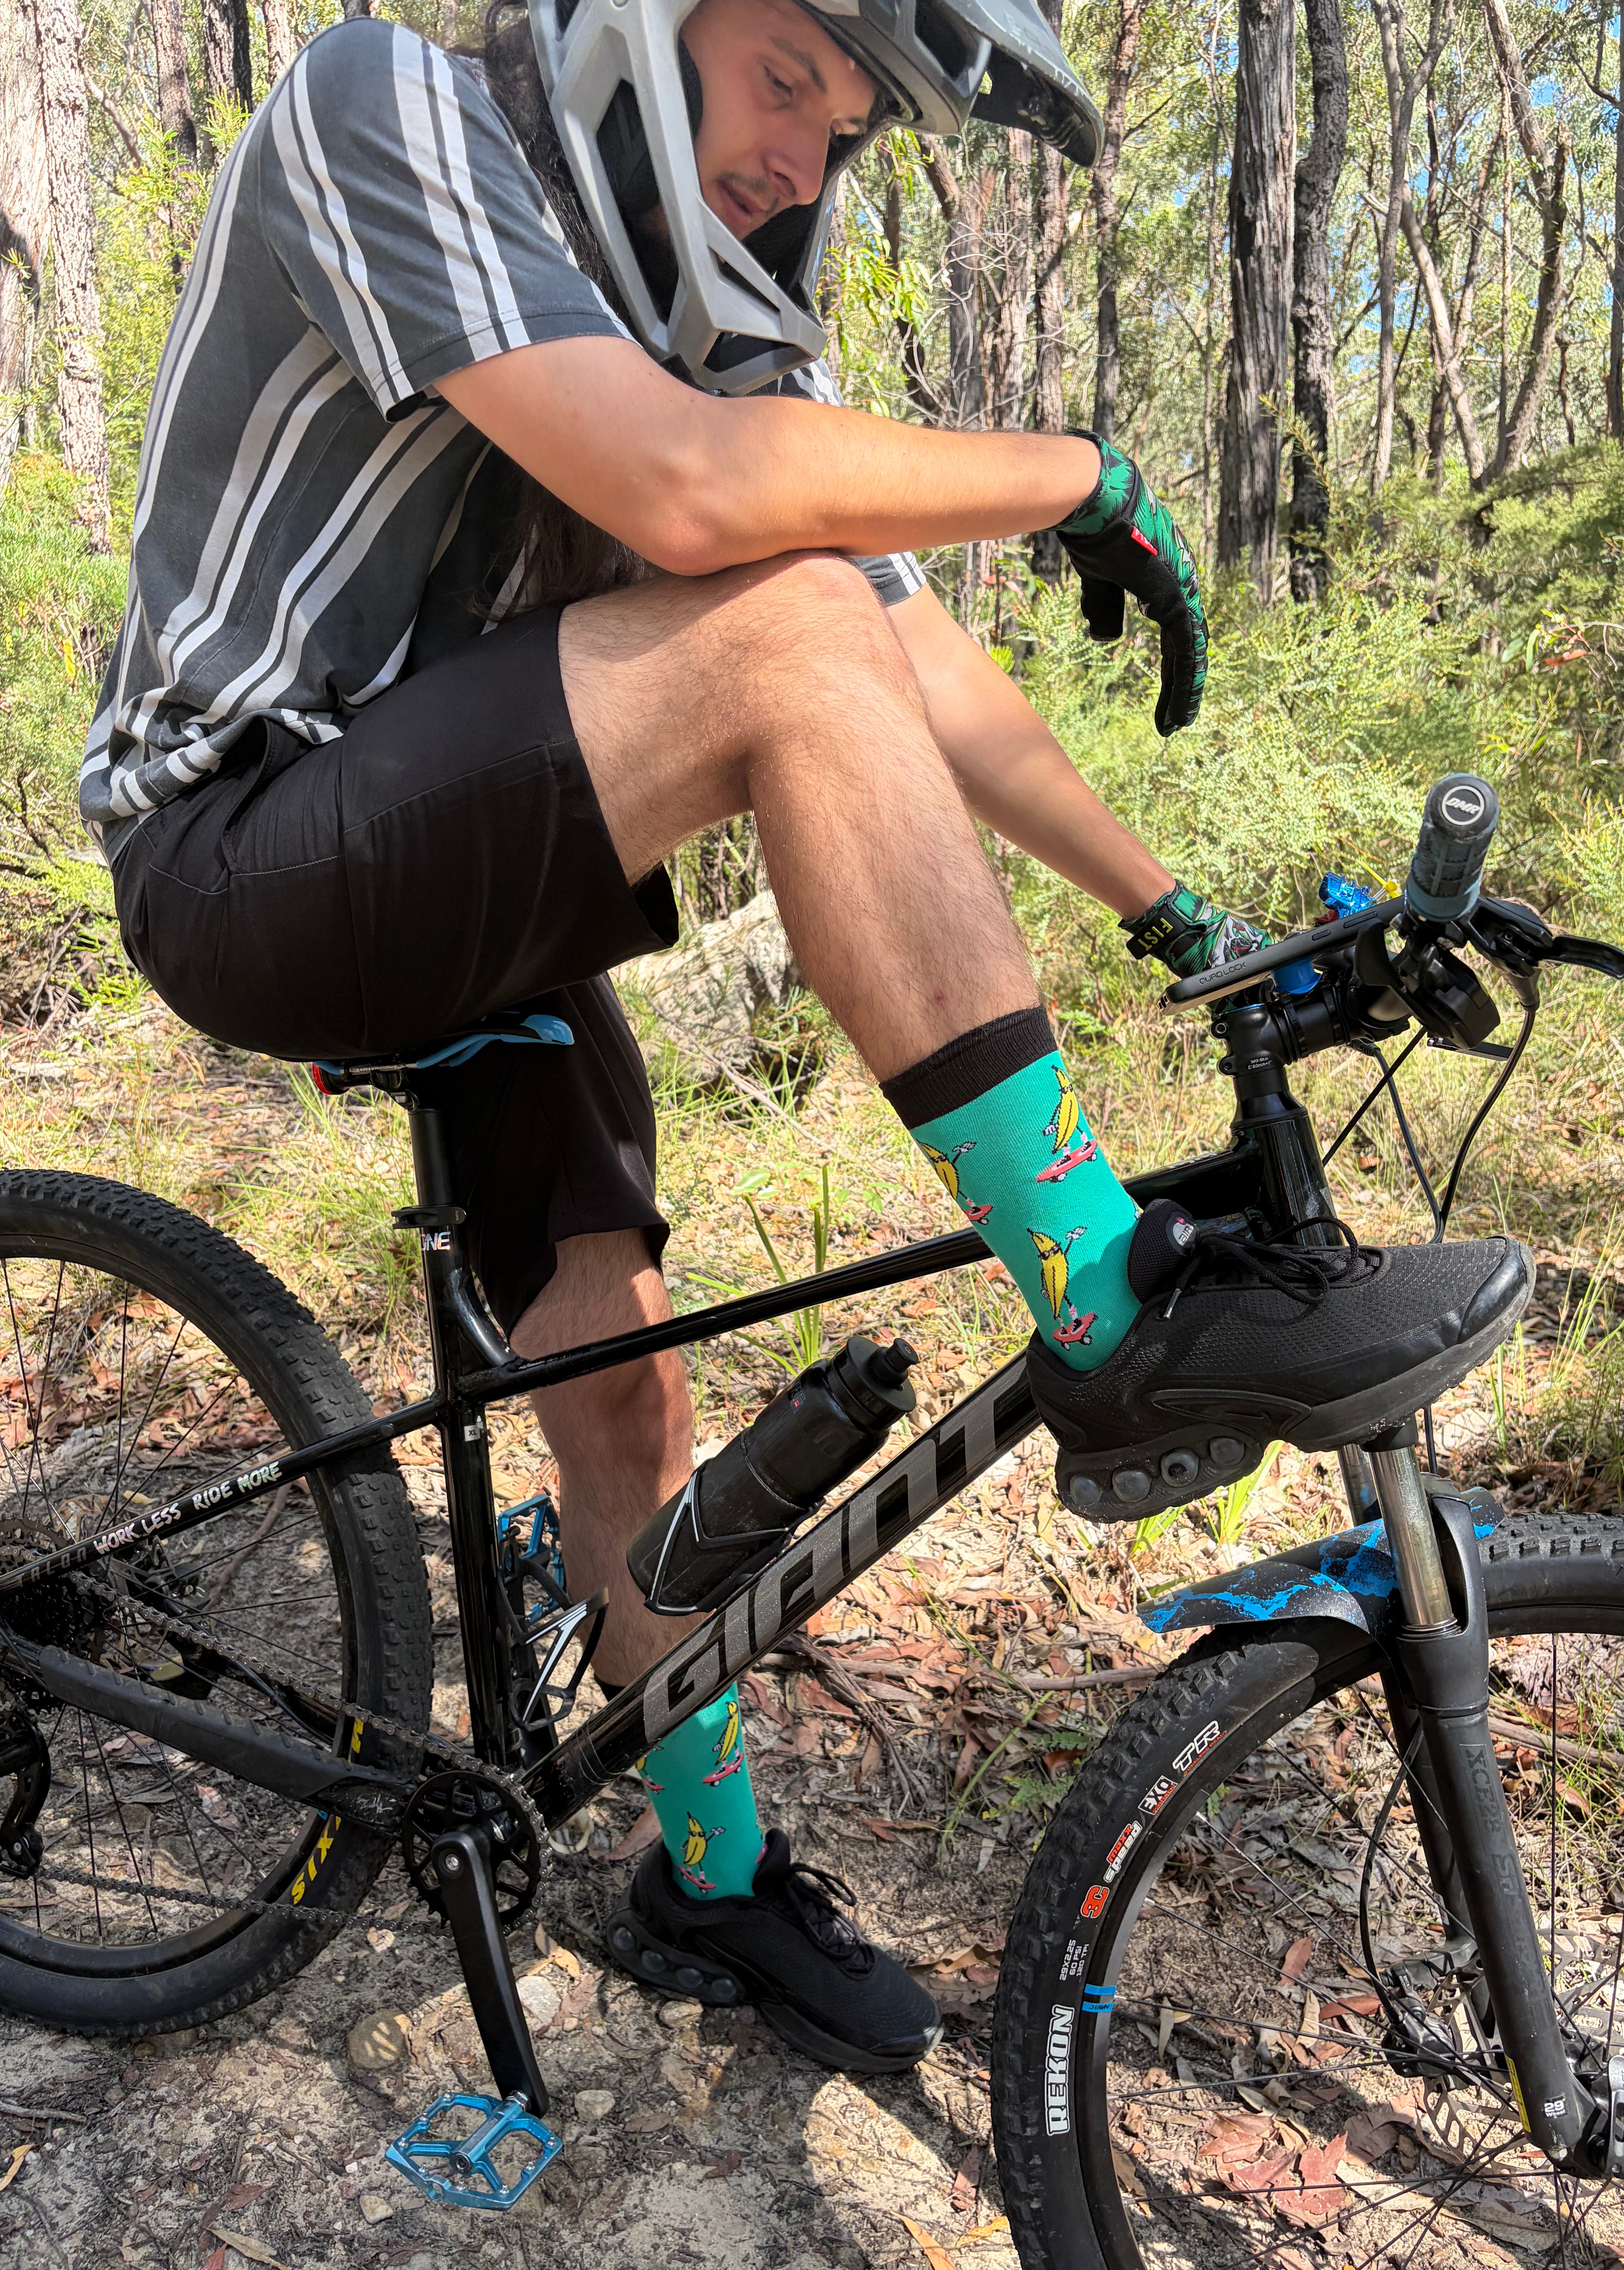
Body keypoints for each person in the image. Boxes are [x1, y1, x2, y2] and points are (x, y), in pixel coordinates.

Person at [83, 0, 1530, 2074]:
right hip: (234, 840)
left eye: (843, 132)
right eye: (785, 81)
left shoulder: (705, 301)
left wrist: (1184, 924)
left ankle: (709, 1869)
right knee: (775, 623)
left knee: (628, 1389)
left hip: (453, 869)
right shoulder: (385, 98)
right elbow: (697, 508)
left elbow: (893, 638)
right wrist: (1079, 476)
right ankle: (1108, 1301)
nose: (801, 159)